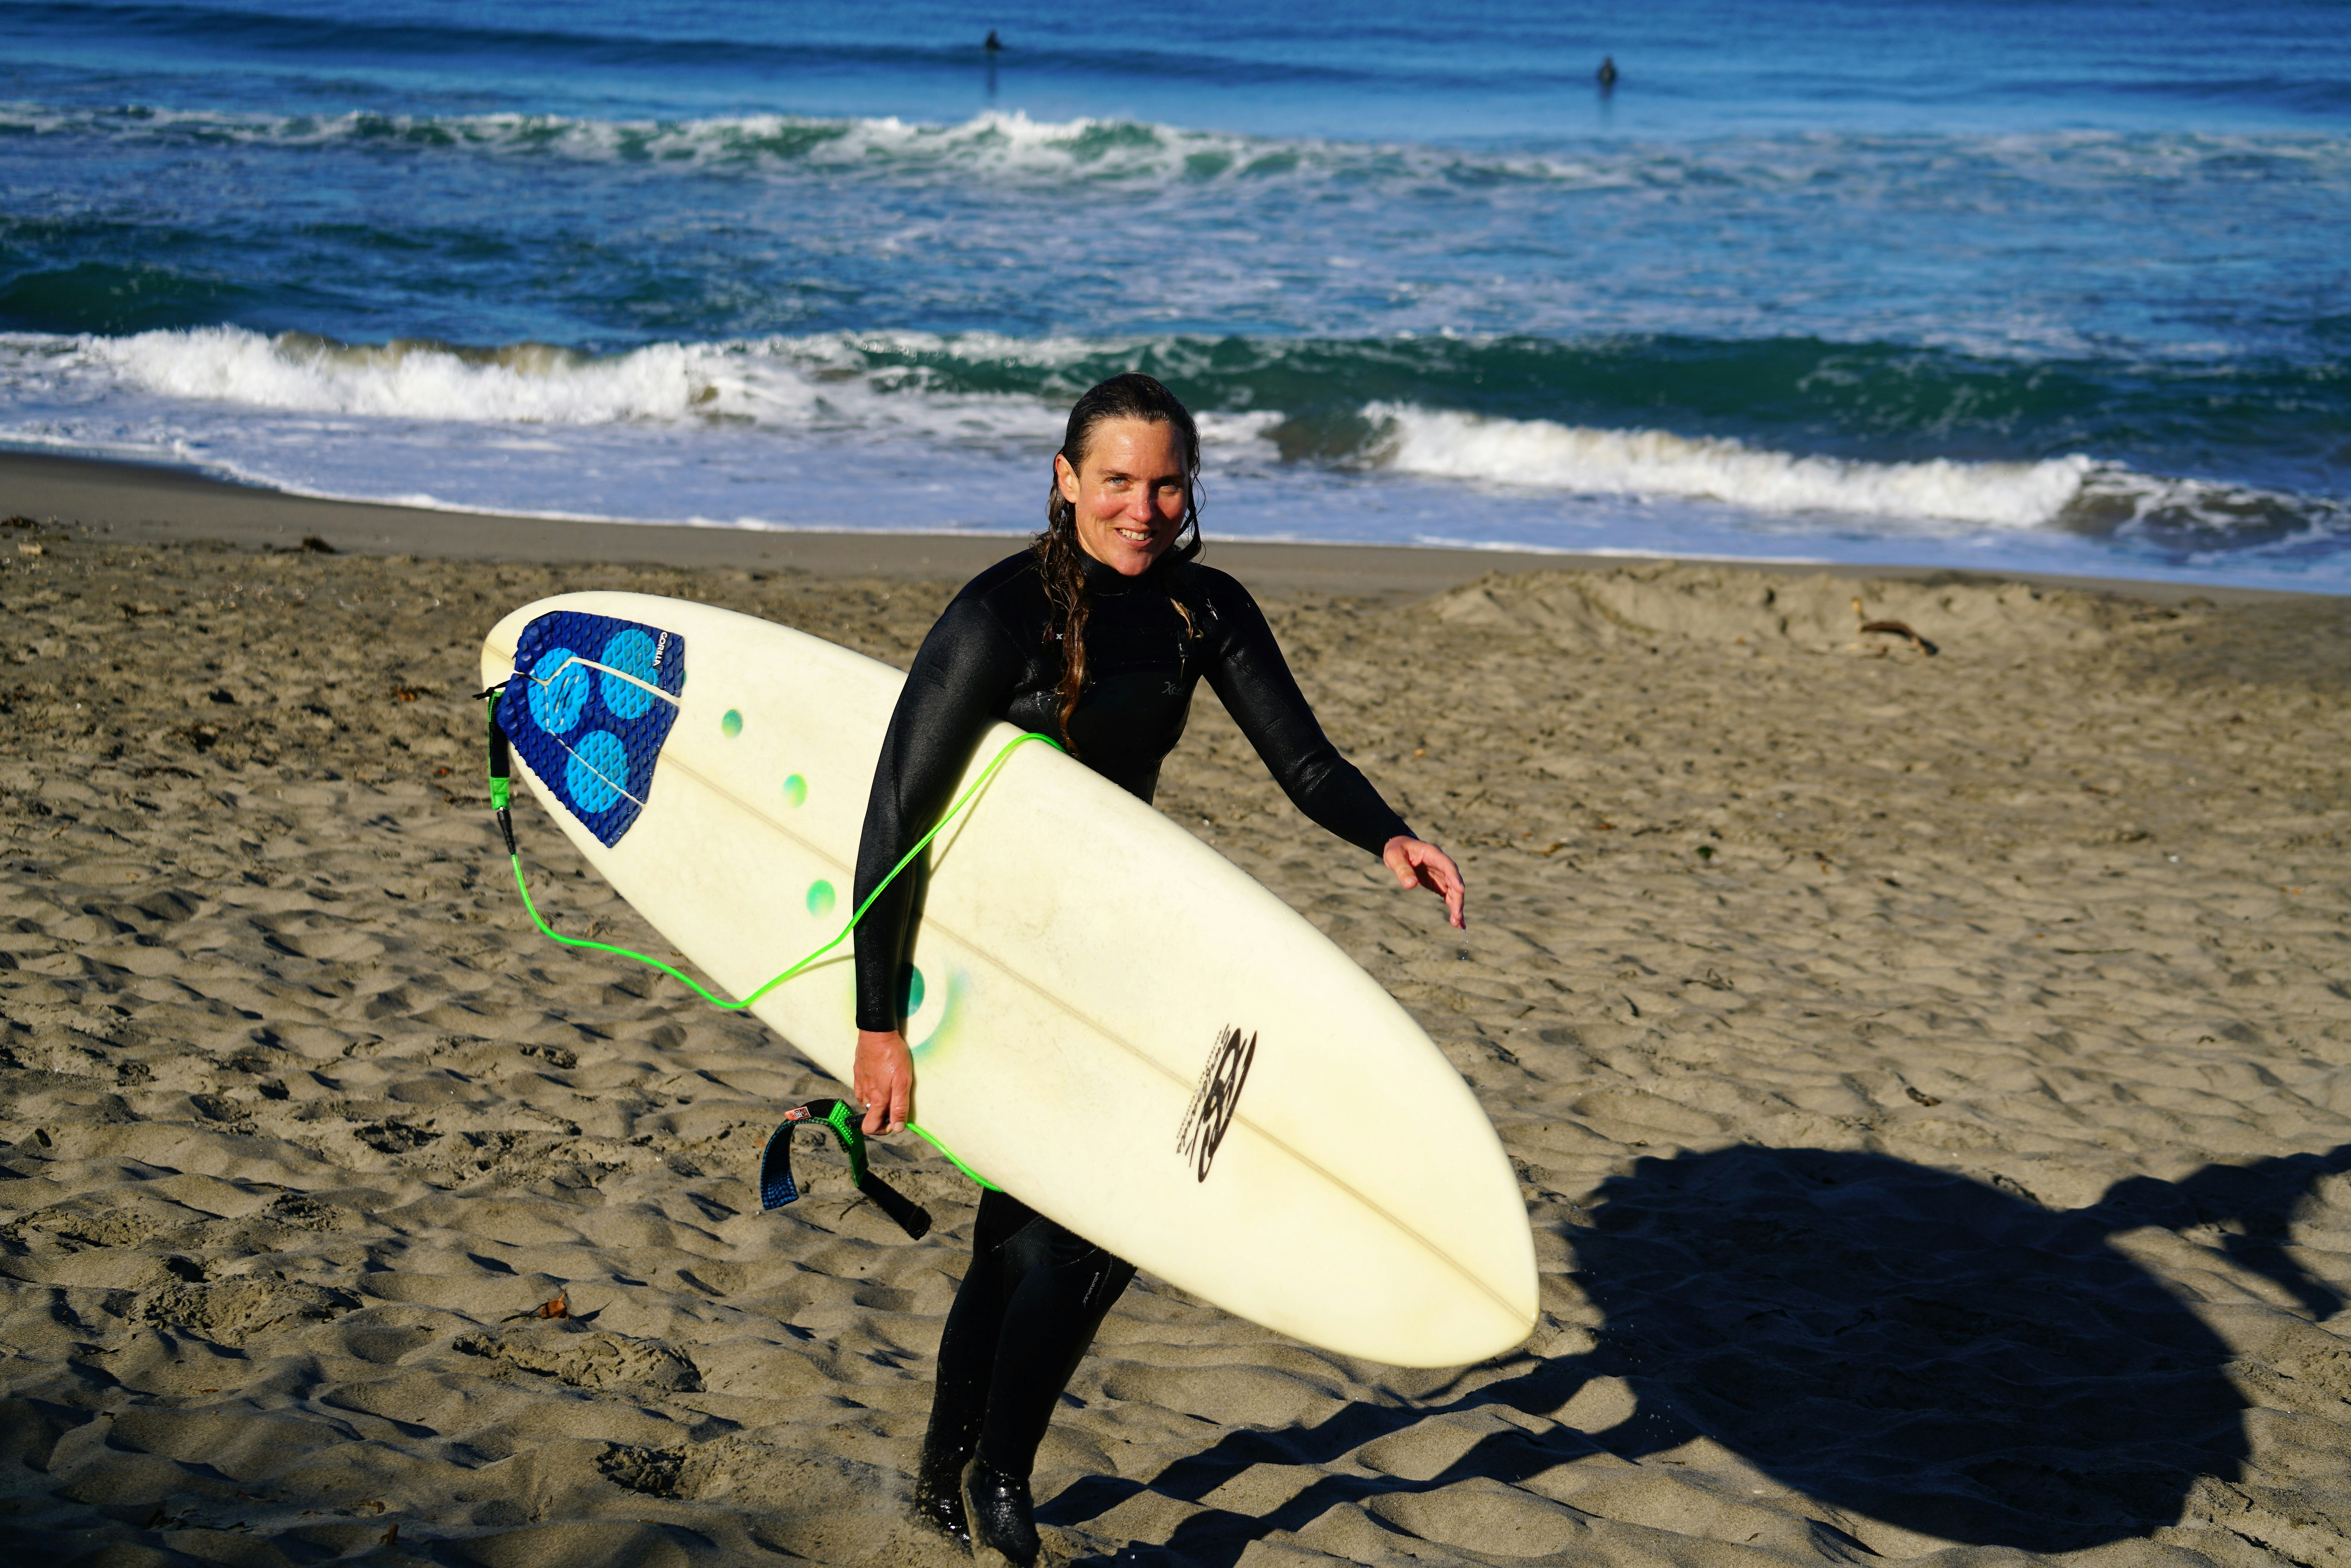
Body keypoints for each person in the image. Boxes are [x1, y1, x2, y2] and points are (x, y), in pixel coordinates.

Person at [849, 372, 1467, 1565]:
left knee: (1026, 1235)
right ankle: (997, 1477)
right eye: (1118, 480)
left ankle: (940, 1478)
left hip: (1118, 951)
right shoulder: (992, 616)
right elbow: (892, 827)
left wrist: (1385, 832)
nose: (1142, 507)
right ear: (1065, 480)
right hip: (994, 957)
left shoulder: (1201, 611)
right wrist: (879, 1025)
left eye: (1166, 481)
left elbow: (1302, 760)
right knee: (1096, 1226)